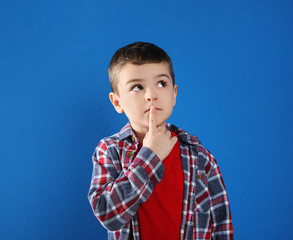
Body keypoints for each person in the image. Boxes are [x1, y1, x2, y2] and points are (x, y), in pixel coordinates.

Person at [88, 41, 233, 240]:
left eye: (161, 83)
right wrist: (150, 154)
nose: (151, 95)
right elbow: (108, 214)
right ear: (117, 102)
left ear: (173, 94)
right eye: (137, 87)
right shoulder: (109, 151)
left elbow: (221, 224)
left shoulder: (200, 157)